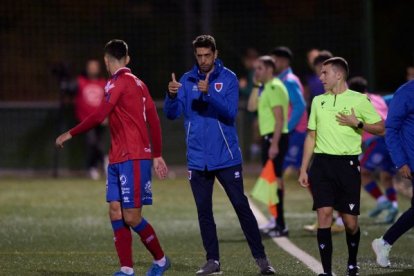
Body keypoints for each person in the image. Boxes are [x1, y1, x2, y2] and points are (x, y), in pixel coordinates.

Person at [56, 39, 170, 276]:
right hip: (118, 156)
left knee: (131, 216)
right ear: (127, 59)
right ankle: (127, 269)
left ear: (107, 61)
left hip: (133, 157)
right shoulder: (139, 83)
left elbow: (99, 116)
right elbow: (154, 120)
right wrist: (157, 154)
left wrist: (70, 133)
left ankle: (160, 260)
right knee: (115, 211)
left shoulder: (118, 83)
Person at [164, 35, 275, 275]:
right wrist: (172, 96)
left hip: (226, 157)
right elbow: (172, 115)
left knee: (240, 206)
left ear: (215, 54)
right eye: (199, 56)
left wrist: (209, 94)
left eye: (207, 55)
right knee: (204, 211)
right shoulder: (186, 79)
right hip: (197, 159)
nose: (203, 60)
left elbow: (230, 112)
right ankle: (213, 261)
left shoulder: (229, 78)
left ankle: (262, 259)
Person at [298, 57, 384, 276]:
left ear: (339, 74)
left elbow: (382, 128)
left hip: (347, 166)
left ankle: (352, 262)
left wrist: (359, 124)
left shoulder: (360, 100)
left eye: (325, 73)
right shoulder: (318, 101)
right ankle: (326, 271)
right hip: (322, 164)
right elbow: (311, 135)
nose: (320, 77)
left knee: (350, 223)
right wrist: (303, 168)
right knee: (324, 213)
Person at [372, 80, 414, 268]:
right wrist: (401, 161)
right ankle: (384, 242)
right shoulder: (406, 92)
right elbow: (391, 129)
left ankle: (384, 242)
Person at [247, 56, 290, 237]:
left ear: (270, 70)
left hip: (275, 137)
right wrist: (256, 86)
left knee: (276, 181)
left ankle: (281, 225)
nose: (256, 72)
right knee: (272, 182)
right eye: (256, 68)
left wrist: (274, 144)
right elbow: (250, 107)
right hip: (269, 138)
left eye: (260, 68)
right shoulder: (264, 88)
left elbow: (280, 119)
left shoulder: (274, 87)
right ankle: (276, 221)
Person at [348, 77, 399, 224]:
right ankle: (393, 207)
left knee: (362, 172)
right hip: (394, 139)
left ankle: (383, 201)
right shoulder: (376, 97)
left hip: (379, 140)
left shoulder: (357, 102)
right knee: (386, 176)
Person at [74, 59, 108, 180]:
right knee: (91, 142)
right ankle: (97, 165)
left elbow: (108, 101)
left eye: (95, 67)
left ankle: (98, 166)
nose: (93, 69)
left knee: (99, 144)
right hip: (86, 120)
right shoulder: (80, 82)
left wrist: (107, 116)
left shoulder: (104, 83)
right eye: (90, 67)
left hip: (100, 120)